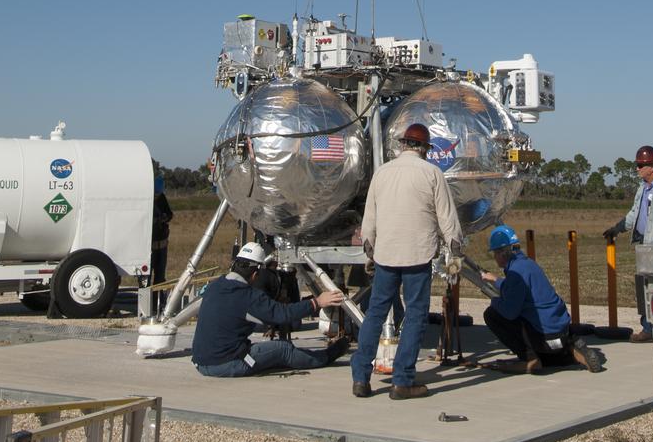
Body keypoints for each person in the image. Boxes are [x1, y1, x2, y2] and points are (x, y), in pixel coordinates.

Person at [350, 122, 463, 401]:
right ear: (424, 148)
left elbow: (370, 220)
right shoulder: (432, 173)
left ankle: (360, 379)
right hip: (417, 254)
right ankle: (402, 381)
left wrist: (370, 249)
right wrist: (455, 256)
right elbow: (448, 220)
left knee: (375, 314)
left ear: (402, 145)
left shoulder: (382, 173)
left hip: (386, 255)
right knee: (414, 315)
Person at [191, 242, 348, 377]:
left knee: (267, 352)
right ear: (255, 274)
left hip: (201, 362)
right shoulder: (247, 296)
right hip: (225, 364)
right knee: (283, 349)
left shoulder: (215, 285)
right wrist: (317, 302)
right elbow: (282, 315)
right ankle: (326, 356)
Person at [480, 225, 604, 374]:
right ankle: (572, 351)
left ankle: (530, 359)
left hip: (543, 337)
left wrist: (494, 300)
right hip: (561, 331)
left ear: (501, 253)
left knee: (492, 314)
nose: (494, 257)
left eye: (494, 253)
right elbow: (516, 286)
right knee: (542, 326)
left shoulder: (514, 274)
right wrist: (496, 280)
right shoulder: (528, 265)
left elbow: (510, 312)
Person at [603, 144, 653, 343]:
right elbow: (634, 214)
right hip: (645, 248)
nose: (637, 169)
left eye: (641, 165)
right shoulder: (643, 188)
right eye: (637, 165)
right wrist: (618, 228)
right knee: (644, 290)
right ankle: (648, 328)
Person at [151, 174, 174, 310]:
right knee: (147, 278)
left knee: (160, 276)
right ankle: (148, 303)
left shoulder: (161, 199)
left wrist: (164, 218)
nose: (157, 197)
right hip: (150, 247)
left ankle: (158, 302)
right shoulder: (147, 200)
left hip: (162, 244)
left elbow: (170, 214)